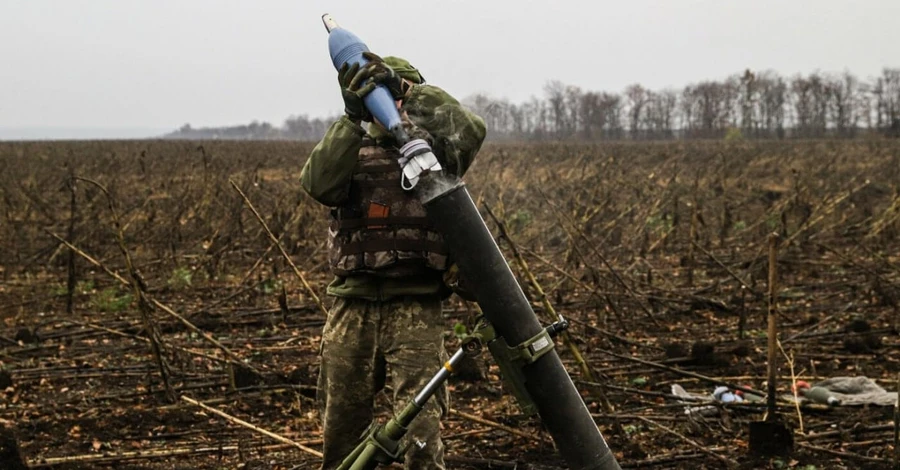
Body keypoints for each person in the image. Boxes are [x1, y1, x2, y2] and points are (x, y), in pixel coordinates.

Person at [300, 52, 486, 470]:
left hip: (417, 308)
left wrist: (409, 92)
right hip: (353, 307)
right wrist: (350, 119)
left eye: (396, 95)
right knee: (343, 428)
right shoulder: (350, 148)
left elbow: (472, 128)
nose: (390, 108)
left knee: (420, 434)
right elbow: (318, 183)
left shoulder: (437, 156)